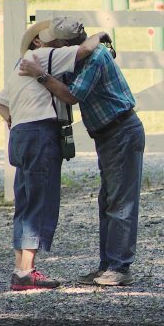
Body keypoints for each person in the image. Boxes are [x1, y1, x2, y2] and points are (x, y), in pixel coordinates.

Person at [19, 23, 145, 287]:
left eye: (55, 44)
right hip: (109, 133)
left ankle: (120, 267)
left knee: (120, 202)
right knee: (109, 201)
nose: (52, 47)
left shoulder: (95, 58)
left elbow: (72, 95)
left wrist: (40, 74)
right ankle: (107, 266)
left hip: (120, 130)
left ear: (68, 46)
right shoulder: (82, 57)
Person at [0, 17, 110, 291]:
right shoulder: (46, 56)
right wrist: (102, 33)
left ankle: (20, 269)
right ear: (40, 42)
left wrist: (11, 118)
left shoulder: (19, 67)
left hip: (20, 135)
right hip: (40, 132)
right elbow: (85, 50)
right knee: (41, 199)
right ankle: (27, 272)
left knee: (24, 201)